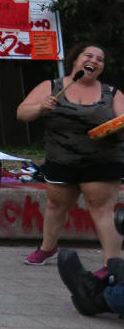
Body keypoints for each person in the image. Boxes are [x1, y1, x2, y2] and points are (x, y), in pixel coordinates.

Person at [16, 43, 124, 270]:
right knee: (56, 205)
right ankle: (47, 249)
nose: (94, 61)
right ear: (75, 60)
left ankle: (112, 265)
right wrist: (41, 107)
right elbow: (22, 113)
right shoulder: (51, 86)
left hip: (102, 161)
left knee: (102, 210)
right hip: (61, 160)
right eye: (89, 56)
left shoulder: (112, 94)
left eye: (100, 59)